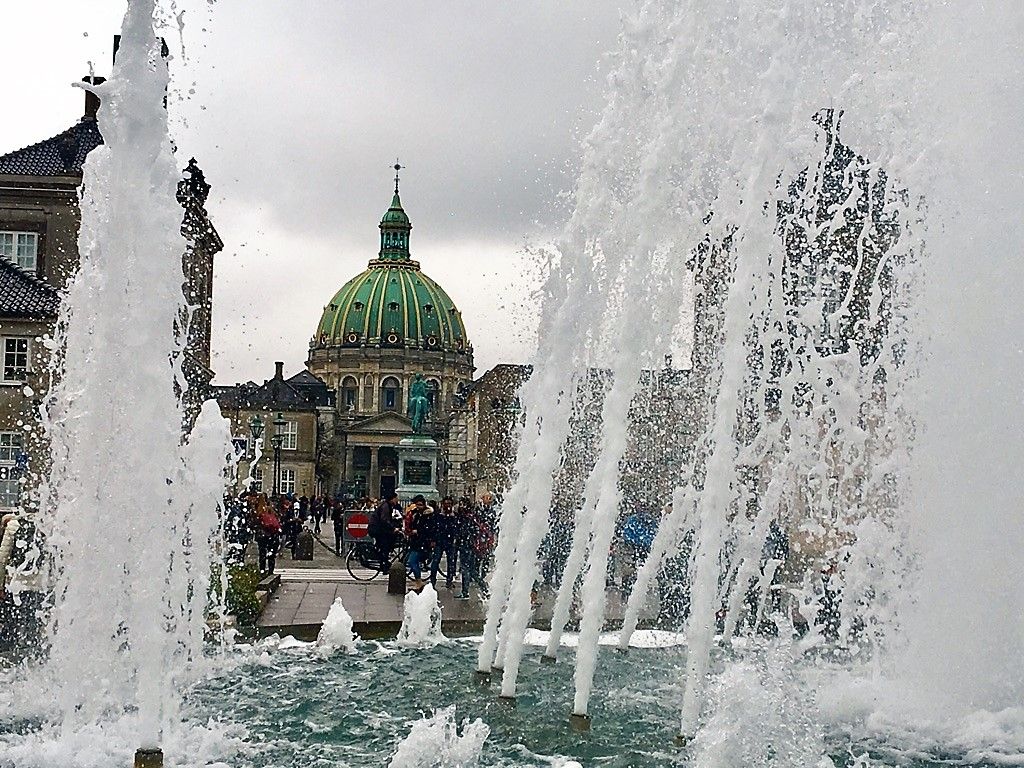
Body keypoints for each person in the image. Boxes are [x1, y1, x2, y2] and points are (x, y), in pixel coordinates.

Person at [456, 500, 490, 599]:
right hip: (470, 546)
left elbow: (465, 532)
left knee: (467, 570)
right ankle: (484, 589)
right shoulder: (472, 517)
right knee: (471, 571)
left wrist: (462, 541)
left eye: (462, 504)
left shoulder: (466, 518)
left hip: (467, 546)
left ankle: (466, 591)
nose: (460, 506)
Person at [404, 495, 435, 588]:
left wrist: (418, 531)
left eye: (420, 505)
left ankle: (419, 581)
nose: (418, 507)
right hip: (416, 542)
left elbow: (429, 529)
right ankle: (418, 581)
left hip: (423, 543)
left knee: (412, 561)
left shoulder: (428, 516)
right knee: (413, 561)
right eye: (417, 505)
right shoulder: (416, 514)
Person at [370, 491, 403, 572]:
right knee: (386, 544)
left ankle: (384, 561)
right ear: (392, 499)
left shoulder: (387, 505)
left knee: (385, 544)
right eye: (396, 498)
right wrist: (393, 528)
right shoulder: (386, 506)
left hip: (377, 528)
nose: (397, 500)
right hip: (378, 530)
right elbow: (384, 520)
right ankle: (384, 564)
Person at [430, 496, 459, 588]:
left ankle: (449, 581)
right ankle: (432, 581)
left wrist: (455, 538)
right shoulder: (438, 516)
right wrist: (433, 540)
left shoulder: (454, 516)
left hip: (450, 542)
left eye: (449, 504)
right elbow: (434, 528)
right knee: (435, 562)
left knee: (451, 562)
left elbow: (456, 529)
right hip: (439, 541)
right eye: (446, 504)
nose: (448, 506)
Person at [253, 494, 282, 574]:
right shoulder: (271, 509)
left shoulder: (258, 510)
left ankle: (262, 570)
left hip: (263, 534)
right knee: (271, 554)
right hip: (272, 534)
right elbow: (277, 520)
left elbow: (254, 522)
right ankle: (270, 570)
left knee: (262, 553)